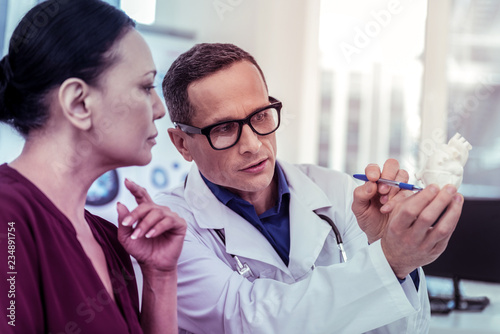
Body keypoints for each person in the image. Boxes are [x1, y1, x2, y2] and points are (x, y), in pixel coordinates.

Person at [158, 43, 463, 333]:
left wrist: (385, 247)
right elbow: (249, 322)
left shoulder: (341, 193)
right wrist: (389, 260)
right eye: (224, 128)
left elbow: (404, 329)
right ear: (182, 143)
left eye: (261, 116)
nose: (253, 145)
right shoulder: (167, 228)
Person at [0, 1, 186, 333]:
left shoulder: (109, 239)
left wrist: (161, 276)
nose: (159, 109)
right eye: (145, 87)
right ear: (79, 103)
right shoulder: (7, 218)